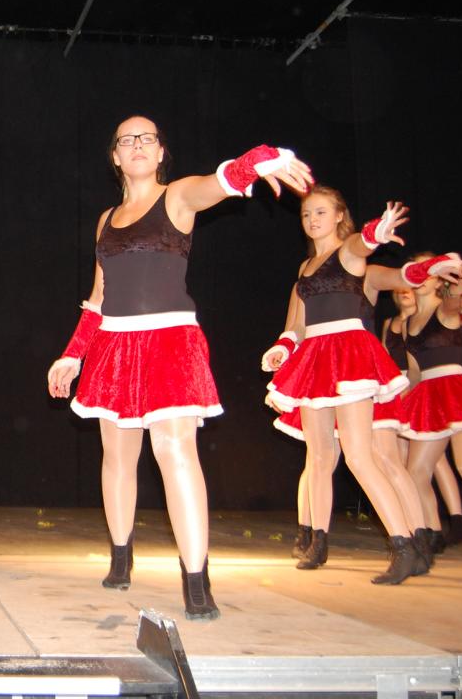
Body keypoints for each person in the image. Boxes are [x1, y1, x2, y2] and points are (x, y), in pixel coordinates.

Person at [47, 117, 312, 620]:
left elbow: (222, 181)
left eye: (147, 138)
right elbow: (98, 298)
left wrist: (260, 160)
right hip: (113, 346)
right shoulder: (105, 221)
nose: (138, 144)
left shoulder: (178, 196)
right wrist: (72, 354)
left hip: (171, 341)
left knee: (175, 452)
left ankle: (196, 577)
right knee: (117, 457)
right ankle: (121, 555)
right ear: (115, 156)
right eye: (127, 139)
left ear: (160, 152)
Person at [264, 189, 431, 584]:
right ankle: (318, 541)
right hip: (314, 359)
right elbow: (296, 325)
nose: (312, 220)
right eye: (307, 214)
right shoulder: (305, 267)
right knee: (320, 456)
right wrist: (281, 349)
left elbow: (363, 243)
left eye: (321, 212)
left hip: (348, 354)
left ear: (340, 215)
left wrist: (377, 232)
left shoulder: (350, 253)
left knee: (359, 456)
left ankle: (404, 544)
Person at [400, 255, 462, 562]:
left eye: (431, 271)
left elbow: (454, 299)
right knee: (415, 472)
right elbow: (415, 374)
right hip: (428, 397)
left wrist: (460, 283)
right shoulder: (408, 324)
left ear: (439, 279)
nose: (423, 275)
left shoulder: (445, 308)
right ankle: (430, 534)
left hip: (457, 393)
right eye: (420, 270)